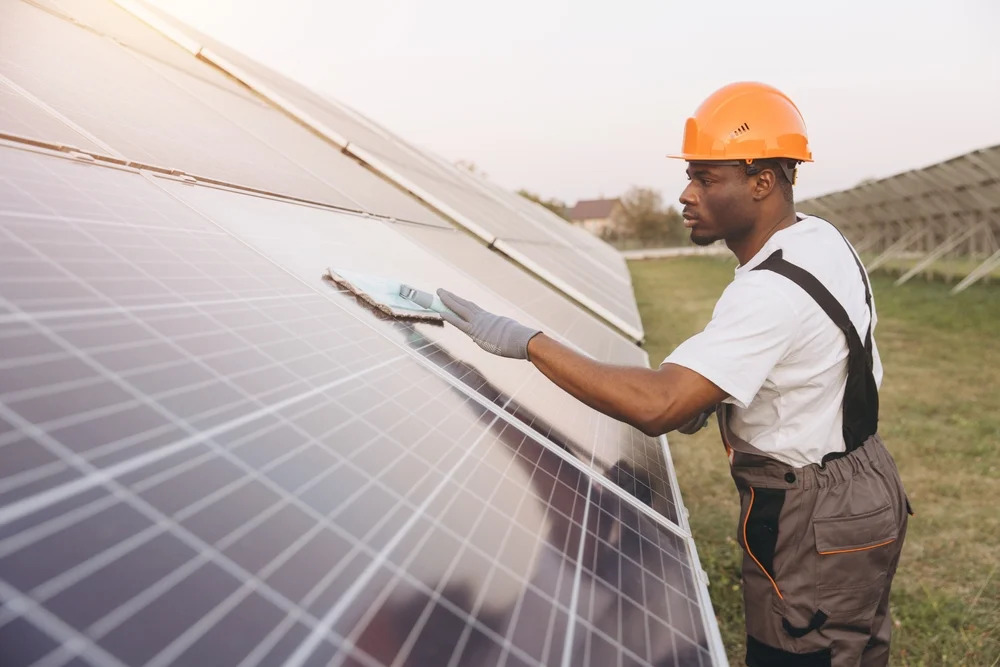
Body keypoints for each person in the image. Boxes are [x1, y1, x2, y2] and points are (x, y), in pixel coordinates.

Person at [430, 82, 911, 667]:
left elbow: (660, 406)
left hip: (813, 513)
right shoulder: (820, 239)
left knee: (799, 653)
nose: (686, 194)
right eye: (691, 175)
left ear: (763, 181)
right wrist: (720, 392)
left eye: (707, 179)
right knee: (853, 643)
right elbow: (813, 355)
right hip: (862, 479)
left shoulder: (769, 292)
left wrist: (527, 343)